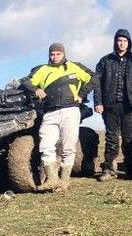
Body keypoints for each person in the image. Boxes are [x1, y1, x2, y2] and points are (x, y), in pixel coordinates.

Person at [21, 43, 93, 191]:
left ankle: (64, 182)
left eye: (58, 54)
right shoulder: (42, 69)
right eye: (52, 54)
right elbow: (25, 81)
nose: (55, 57)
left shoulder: (75, 66)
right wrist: (36, 89)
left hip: (71, 110)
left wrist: (81, 94)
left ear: (64, 54)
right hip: (49, 112)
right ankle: (52, 179)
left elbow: (94, 78)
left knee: (68, 147)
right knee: (46, 145)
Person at [93, 29, 132, 181]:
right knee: (111, 137)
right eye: (119, 40)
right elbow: (96, 83)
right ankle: (108, 169)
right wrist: (98, 102)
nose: (121, 43)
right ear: (115, 42)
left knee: (129, 138)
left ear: (129, 43)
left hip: (130, 105)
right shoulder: (105, 61)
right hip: (110, 105)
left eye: (124, 40)